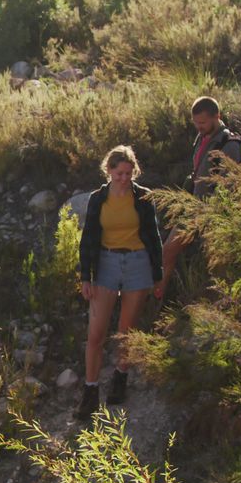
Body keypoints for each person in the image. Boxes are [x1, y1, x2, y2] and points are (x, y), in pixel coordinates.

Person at [76, 145, 164, 420]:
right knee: (96, 333)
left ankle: (120, 378)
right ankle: (90, 391)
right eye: (118, 174)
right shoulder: (97, 199)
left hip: (137, 264)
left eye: (128, 173)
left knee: (126, 330)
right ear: (109, 171)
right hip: (106, 263)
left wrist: (158, 274)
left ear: (134, 172)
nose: (124, 179)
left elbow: (154, 237)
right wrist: (85, 277)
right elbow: (88, 237)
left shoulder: (144, 197)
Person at [160, 96, 241, 294]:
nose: (199, 127)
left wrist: (211, 216)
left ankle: (220, 306)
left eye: (203, 123)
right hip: (193, 210)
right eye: (196, 123)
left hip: (213, 216)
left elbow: (230, 186)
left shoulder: (229, 146)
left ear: (217, 117)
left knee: (216, 266)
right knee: (168, 251)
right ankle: (157, 296)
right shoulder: (202, 138)